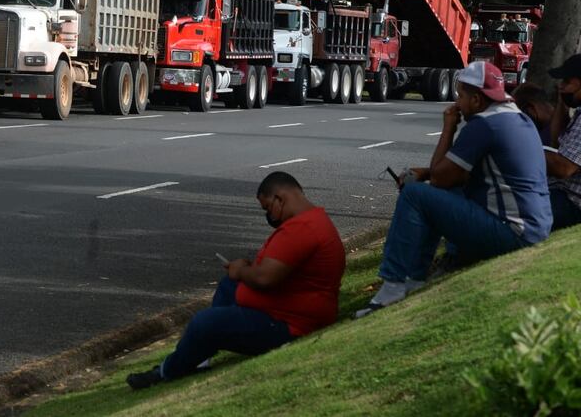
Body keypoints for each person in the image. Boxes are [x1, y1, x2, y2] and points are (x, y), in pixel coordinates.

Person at [356, 61, 551, 316]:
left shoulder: (484, 125)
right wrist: (428, 174)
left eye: (460, 95)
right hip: (534, 227)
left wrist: (449, 126)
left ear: (477, 100)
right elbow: (455, 176)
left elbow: (440, 178)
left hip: (513, 233)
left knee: (416, 195)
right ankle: (414, 279)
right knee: (436, 196)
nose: (457, 103)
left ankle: (392, 286)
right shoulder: (516, 117)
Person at [126, 172, 345, 389]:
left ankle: (166, 371)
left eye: (268, 208)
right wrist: (244, 270)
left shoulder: (301, 229)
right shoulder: (312, 219)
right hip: (288, 308)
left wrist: (242, 271)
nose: (270, 217)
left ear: (280, 198)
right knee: (229, 287)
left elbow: (265, 278)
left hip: (290, 325)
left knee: (204, 323)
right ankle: (199, 356)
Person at [546, 54, 581, 230]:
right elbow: (555, 142)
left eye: (567, 81)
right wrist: (562, 102)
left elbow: (564, 168)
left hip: (571, 203)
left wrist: (525, 148)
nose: (561, 86)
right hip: (562, 194)